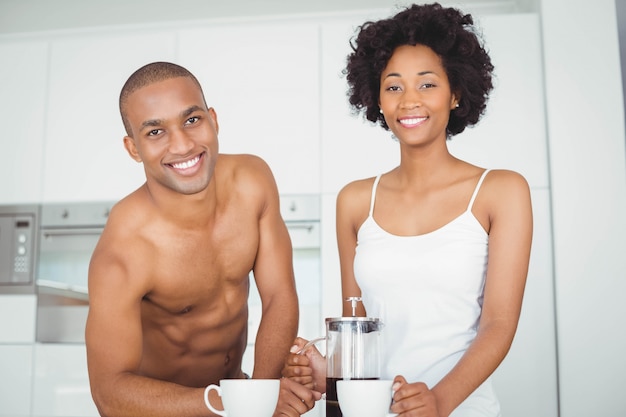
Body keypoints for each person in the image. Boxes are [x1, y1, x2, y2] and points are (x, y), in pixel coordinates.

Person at [283, 3, 533, 417]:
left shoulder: (501, 191)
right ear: (377, 98)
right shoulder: (354, 201)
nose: (409, 101)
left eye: (427, 84)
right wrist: (325, 369)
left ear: (455, 94)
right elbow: (357, 326)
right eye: (394, 86)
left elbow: (498, 326)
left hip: (463, 409)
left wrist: (439, 401)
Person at [85, 61, 320, 417]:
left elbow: (278, 295)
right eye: (155, 132)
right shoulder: (126, 246)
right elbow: (109, 392)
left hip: (237, 399)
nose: (182, 145)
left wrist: (264, 390)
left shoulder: (252, 181)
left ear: (213, 119)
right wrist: (246, 403)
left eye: (192, 120)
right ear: (133, 148)